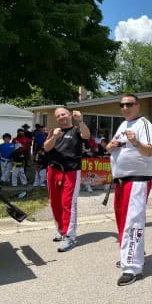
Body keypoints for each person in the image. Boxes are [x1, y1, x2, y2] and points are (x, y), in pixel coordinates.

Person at [107, 94, 152, 286]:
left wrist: (136, 142)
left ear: (137, 105)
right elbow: (110, 146)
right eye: (121, 105)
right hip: (121, 181)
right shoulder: (122, 126)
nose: (124, 107)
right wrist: (109, 146)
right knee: (122, 221)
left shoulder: (143, 124)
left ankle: (132, 268)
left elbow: (149, 151)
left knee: (133, 222)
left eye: (129, 104)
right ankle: (129, 255)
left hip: (137, 180)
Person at [44, 107, 90, 252]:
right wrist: (54, 137)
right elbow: (46, 148)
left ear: (69, 115)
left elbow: (87, 135)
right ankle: (60, 229)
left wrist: (80, 120)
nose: (61, 117)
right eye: (58, 116)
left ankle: (70, 236)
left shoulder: (76, 129)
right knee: (55, 202)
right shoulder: (53, 131)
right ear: (56, 119)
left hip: (71, 171)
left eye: (63, 114)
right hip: (54, 169)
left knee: (68, 203)